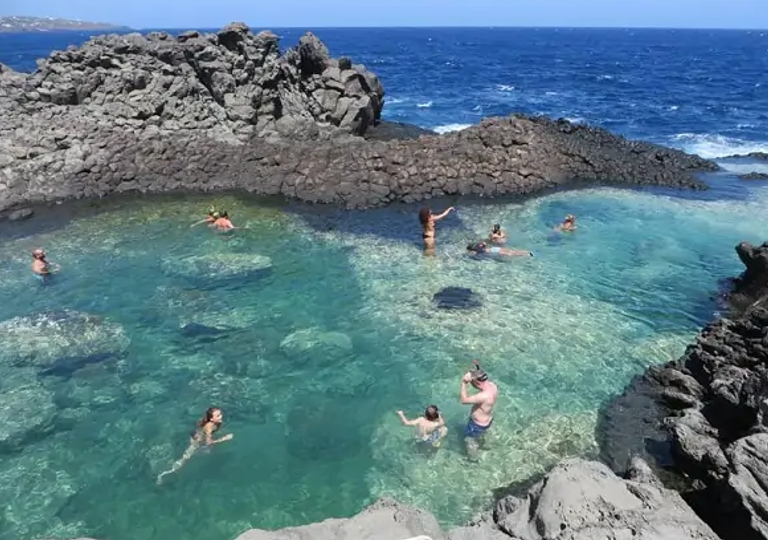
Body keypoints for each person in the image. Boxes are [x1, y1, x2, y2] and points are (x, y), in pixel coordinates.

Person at [156, 407, 234, 485]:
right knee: (184, 458)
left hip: (198, 436)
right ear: (211, 419)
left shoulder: (217, 422)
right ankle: (163, 474)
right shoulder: (209, 427)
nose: (221, 416)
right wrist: (224, 438)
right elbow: (209, 443)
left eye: (220, 414)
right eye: (218, 416)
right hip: (196, 442)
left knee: (207, 452)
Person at [459, 361, 498, 456]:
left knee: (470, 440)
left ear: (477, 382)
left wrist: (464, 383)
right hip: (488, 420)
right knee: (483, 435)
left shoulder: (483, 396)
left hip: (476, 425)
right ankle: (486, 444)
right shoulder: (493, 386)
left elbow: (464, 400)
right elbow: (480, 378)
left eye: (472, 383)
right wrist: (477, 368)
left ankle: (473, 458)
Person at [467, 241, 533, 257]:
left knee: (512, 253)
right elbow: (484, 243)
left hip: (495, 251)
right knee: (512, 251)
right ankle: (527, 252)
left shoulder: (477, 251)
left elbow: (473, 254)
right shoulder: (480, 246)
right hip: (495, 248)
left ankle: (527, 254)